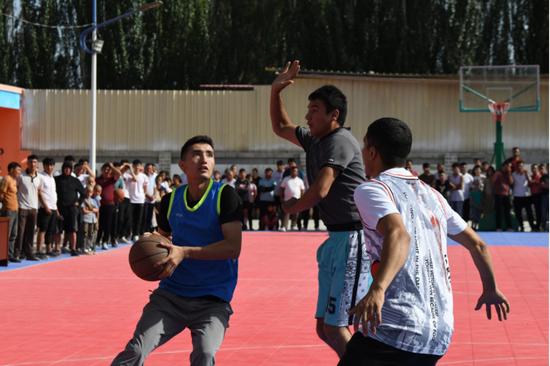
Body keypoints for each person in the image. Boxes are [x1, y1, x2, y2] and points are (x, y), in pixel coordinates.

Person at [343, 117, 510, 366]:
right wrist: (490, 288)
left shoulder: (373, 190)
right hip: (438, 334)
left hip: (395, 327)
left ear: (372, 151)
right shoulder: (434, 196)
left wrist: (377, 290)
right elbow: (478, 245)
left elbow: (398, 234)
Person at [112, 135, 242, 366]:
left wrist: (185, 252)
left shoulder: (225, 195)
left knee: (205, 354)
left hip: (212, 300)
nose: (204, 159)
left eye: (209, 155)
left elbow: (233, 247)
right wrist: (150, 241)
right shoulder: (171, 200)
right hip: (171, 296)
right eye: (197, 154)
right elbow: (162, 238)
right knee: (136, 351)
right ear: (182, 165)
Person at [270, 60, 369, 358]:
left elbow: (322, 189)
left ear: (333, 115)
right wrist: (275, 91)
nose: (307, 116)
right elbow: (281, 127)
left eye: (314, 110)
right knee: (325, 327)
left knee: (337, 327)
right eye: (308, 109)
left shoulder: (339, 141)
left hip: (353, 239)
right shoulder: (316, 139)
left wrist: (292, 207)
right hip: (336, 238)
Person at [55, 162, 85, 256]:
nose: (67, 170)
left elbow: (83, 193)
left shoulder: (75, 180)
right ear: (63, 169)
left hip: (72, 209)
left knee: (72, 230)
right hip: (59, 208)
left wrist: (78, 203)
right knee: (58, 230)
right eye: (65, 168)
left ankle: (73, 249)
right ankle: (57, 249)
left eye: (69, 168)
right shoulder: (56, 179)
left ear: (71, 170)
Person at [15, 154, 42, 261]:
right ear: (27, 163)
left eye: (34, 162)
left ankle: (29, 253)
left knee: (31, 232)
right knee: (20, 232)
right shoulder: (21, 176)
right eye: (30, 162)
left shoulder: (39, 178)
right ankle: (17, 253)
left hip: (33, 208)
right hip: (22, 207)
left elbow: (38, 192)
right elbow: (15, 189)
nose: (32, 164)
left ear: (37, 164)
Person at [36, 158, 58, 258]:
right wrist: (45, 206)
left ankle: (48, 249)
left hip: (53, 207)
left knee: (50, 230)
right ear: (44, 166)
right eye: (47, 165)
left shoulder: (52, 178)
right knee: (42, 229)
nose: (50, 167)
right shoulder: (40, 176)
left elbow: (53, 194)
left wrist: (56, 209)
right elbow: (39, 193)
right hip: (44, 208)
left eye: (51, 165)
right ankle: (39, 250)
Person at [0, 162, 22, 262]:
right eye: (18, 170)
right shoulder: (6, 179)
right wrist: (4, 206)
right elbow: (1, 194)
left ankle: (10, 255)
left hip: (15, 210)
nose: (19, 172)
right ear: (12, 169)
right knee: (6, 234)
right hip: (8, 210)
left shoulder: (14, 180)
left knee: (13, 234)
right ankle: (3, 256)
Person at [511, 161, 537, 231]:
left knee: (529, 212)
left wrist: (526, 175)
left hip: (526, 196)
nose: (520, 167)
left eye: (521, 166)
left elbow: (530, 182)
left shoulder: (526, 174)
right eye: (519, 166)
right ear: (516, 167)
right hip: (517, 196)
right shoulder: (513, 174)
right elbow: (511, 183)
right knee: (518, 213)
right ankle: (521, 227)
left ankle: (533, 227)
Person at [279, 166, 306, 231]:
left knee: (296, 213)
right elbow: (282, 189)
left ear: (297, 172)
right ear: (290, 172)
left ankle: (293, 225)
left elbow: (302, 190)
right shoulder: (286, 179)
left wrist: (302, 199)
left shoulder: (300, 180)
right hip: (287, 199)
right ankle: (284, 226)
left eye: (295, 171)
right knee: (286, 212)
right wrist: (281, 197)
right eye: (293, 171)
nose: (294, 172)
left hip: (297, 199)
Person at [493, 161, 513, 231]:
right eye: (507, 166)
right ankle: (498, 227)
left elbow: (511, 182)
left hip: (506, 195)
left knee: (507, 211)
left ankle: (509, 227)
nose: (508, 168)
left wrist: (509, 173)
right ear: (503, 166)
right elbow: (493, 181)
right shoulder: (498, 173)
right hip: (498, 195)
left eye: (509, 167)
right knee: (499, 211)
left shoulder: (509, 174)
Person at [81, 185, 99, 254]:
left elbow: (97, 210)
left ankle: (89, 247)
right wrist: (92, 210)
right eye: (87, 192)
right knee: (85, 234)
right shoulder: (84, 200)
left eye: (90, 192)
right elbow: (84, 211)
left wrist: (91, 209)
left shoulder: (93, 201)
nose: (89, 193)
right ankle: (84, 247)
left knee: (91, 234)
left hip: (92, 220)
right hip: (86, 219)